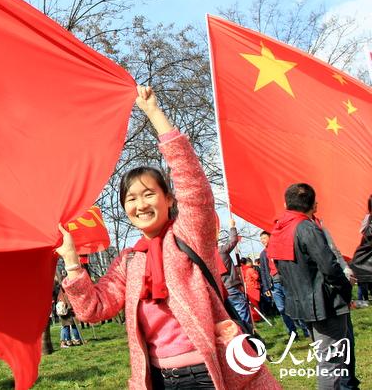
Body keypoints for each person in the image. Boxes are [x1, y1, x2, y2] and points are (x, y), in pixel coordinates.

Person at [56, 86, 279, 389]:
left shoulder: (188, 236)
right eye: (131, 199)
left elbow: (193, 184)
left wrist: (155, 115)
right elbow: (93, 309)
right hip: (157, 379)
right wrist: (72, 263)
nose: (140, 204)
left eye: (149, 194)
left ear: (169, 200)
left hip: (209, 374)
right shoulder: (129, 261)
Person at [268, 184, 359, 389]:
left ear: (286, 204)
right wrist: (345, 289)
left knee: (328, 360)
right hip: (324, 304)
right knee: (331, 365)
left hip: (304, 304)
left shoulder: (280, 229)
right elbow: (329, 266)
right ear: (313, 205)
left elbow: (281, 272)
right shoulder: (306, 227)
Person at [258, 231, 309, 338]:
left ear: (270, 238)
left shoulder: (278, 249)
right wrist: (266, 287)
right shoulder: (263, 254)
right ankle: (292, 333)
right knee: (282, 309)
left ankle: (305, 329)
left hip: (286, 281)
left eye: (264, 238)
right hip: (274, 285)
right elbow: (263, 270)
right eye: (261, 239)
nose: (263, 240)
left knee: (295, 305)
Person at [217, 221, 253, 328]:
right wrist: (232, 227)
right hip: (231, 286)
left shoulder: (207, 256)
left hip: (222, 290)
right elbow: (233, 240)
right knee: (242, 312)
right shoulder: (221, 250)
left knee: (233, 316)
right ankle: (248, 335)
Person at [350, 195, 372, 308]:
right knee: (362, 292)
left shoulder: (368, 220)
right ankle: (361, 301)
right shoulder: (370, 223)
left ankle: (362, 301)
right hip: (363, 263)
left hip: (362, 262)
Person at [240, 258, 262, 323]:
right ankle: (256, 317)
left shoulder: (242, 270)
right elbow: (256, 277)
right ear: (248, 262)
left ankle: (254, 317)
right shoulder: (250, 269)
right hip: (252, 287)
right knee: (254, 304)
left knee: (251, 304)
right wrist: (257, 272)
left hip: (247, 288)